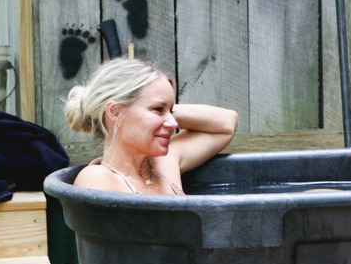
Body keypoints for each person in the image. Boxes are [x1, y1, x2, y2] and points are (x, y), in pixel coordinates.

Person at [64, 57, 237, 194]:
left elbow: (227, 123)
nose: (174, 123)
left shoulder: (165, 162)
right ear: (115, 112)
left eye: (171, 111)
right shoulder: (97, 179)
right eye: (157, 109)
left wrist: (164, 110)